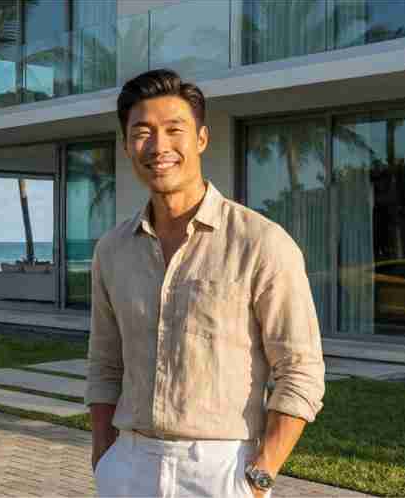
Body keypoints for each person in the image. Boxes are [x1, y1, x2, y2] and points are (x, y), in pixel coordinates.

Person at [86, 69, 326, 498]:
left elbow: (300, 369)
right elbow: (105, 364)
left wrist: (260, 477)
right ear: (126, 146)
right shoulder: (112, 250)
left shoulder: (261, 242)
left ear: (201, 138)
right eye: (142, 132)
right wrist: (103, 456)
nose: (158, 146)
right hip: (128, 466)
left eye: (173, 129)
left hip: (221, 471)